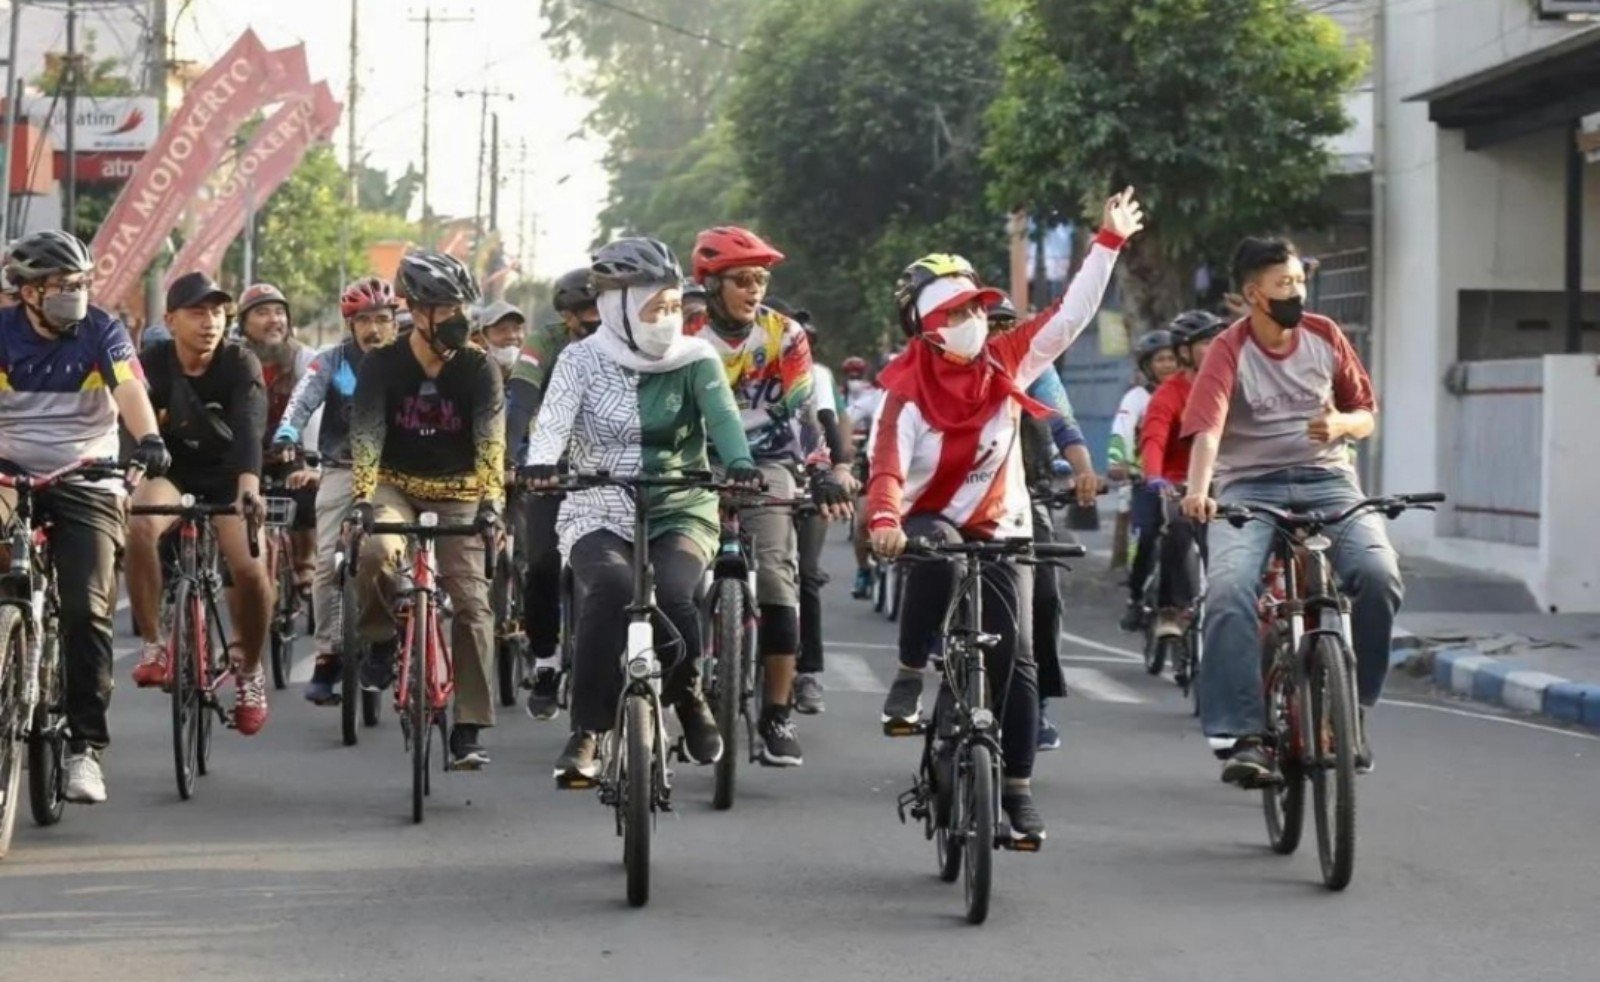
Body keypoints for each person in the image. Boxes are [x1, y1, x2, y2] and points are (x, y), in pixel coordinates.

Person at [869, 188, 1142, 842]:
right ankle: (910, 674)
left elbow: (1073, 315)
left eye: (979, 309)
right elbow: (887, 469)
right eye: (962, 311)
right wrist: (884, 519)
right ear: (931, 327)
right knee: (930, 554)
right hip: (932, 519)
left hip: (1003, 529)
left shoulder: (1012, 357)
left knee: (1016, 656)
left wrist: (1108, 241)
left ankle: (1016, 788)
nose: (977, 319)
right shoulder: (905, 392)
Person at [520, 236, 758, 784]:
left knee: (675, 594)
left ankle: (688, 696)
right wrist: (542, 463)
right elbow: (553, 420)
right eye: (656, 308)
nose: (668, 318)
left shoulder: (697, 358)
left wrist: (740, 462)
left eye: (674, 306)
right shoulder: (580, 360)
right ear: (618, 307)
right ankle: (587, 731)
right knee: (609, 589)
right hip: (597, 500)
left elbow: (722, 419)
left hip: (680, 501)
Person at [1180, 236, 1397, 785]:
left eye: (1300, 282)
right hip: (1249, 488)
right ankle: (1244, 735)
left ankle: (1355, 711)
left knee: (1378, 575)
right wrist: (1199, 491)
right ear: (1255, 293)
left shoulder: (1325, 335)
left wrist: (1341, 425)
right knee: (1229, 591)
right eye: (1285, 284)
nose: (1297, 292)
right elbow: (1207, 430)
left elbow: (1365, 413)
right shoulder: (1228, 350)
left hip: (1330, 481)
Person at [0, 230, 171, 803]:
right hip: (7, 468)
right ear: (25, 292)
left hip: (86, 475)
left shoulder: (102, 330)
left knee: (86, 608)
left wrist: (146, 438)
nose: (74, 294)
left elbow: (129, 391)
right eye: (60, 286)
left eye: (80, 284)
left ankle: (83, 749)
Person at [685, 225, 852, 767]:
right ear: (711, 285)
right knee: (676, 573)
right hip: (696, 461)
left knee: (780, 577)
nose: (755, 289)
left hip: (769, 462)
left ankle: (776, 714)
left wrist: (823, 468)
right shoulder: (683, 334)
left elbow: (805, 408)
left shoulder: (784, 335)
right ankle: (678, 699)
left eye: (761, 279)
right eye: (742, 280)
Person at [346, 251, 505, 769]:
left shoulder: (480, 366)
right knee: (375, 553)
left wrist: (491, 504)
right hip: (395, 486)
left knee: (472, 605)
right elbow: (367, 433)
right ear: (416, 311)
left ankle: (469, 726)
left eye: (461, 306)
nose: (458, 318)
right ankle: (379, 639)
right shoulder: (383, 363)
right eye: (444, 307)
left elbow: (491, 441)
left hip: (460, 492)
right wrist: (363, 498)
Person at [128, 272, 274, 735]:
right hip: (171, 473)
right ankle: (153, 643)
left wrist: (250, 487)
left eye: (216, 312)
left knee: (251, 569)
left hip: (231, 475)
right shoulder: (150, 361)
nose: (209, 322)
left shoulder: (240, 362)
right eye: (196, 312)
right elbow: (127, 419)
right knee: (139, 524)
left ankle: (250, 670)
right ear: (170, 320)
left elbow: (251, 429)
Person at [273, 277, 401, 703]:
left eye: (383, 319)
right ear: (350, 324)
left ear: (396, 322)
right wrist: (288, 432)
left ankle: (402, 630)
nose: (374, 329)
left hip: (399, 476)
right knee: (327, 564)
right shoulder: (331, 362)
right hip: (341, 470)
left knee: (400, 562)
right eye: (364, 320)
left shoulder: (413, 361)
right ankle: (328, 654)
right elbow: (302, 399)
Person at [988, 294, 1103, 752]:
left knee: (1045, 594)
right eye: (990, 323)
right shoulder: (953, 366)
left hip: (1022, 497)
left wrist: (1084, 470)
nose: (999, 333)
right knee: (940, 570)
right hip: (961, 500)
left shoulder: (1035, 367)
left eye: (1007, 323)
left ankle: (1034, 704)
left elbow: (1063, 426)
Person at [505, 267, 601, 721]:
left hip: (608, 468)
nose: (596, 319)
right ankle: (545, 660)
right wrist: (509, 456)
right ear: (566, 317)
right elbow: (521, 396)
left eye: (601, 308)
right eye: (585, 313)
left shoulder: (630, 341)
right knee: (541, 562)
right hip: (551, 466)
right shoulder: (544, 343)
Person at [767, 298, 859, 715]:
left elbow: (827, 422)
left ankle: (807, 673)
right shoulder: (720, 359)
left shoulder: (813, 373)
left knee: (803, 573)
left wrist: (839, 468)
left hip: (803, 479)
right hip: (737, 478)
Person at [1137, 310, 1224, 652]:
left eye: (1218, 340)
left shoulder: (1234, 382)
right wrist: (1155, 477)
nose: (1216, 347)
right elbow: (1154, 438)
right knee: (1177, 527)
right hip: (1179, 483)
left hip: (1230, 482)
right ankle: (1170, 609)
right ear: (1184, 351)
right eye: (1206, 342)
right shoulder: (1169, 393)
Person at [237, 283, 319, 605]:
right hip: (248, 452)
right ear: (244, 324)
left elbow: (314, 411)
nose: (274, 320)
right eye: (262, 313)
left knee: (304, 495)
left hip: (291, 451)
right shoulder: (234, 358)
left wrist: (310, 461)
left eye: (279, 312)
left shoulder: (304, 359)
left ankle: (304, 564)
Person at [1111, 329, 1179, 630]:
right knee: (1147, 536)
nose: (1167, 364)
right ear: (1147, 365)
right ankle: (1136, 599)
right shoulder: (1136, 398)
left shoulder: (1194, 391)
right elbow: (1121, 433)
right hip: (1147, 482)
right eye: (1160, 359)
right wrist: (1118, 463)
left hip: (1186, 482)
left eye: (1172, 358)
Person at [841, 355, 883, 599]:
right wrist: (845, 447)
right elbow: (846, 418)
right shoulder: (874, 398)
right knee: (862, 522)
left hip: (916, 473)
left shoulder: (925, 394)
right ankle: (864, 570)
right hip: (876, 467)